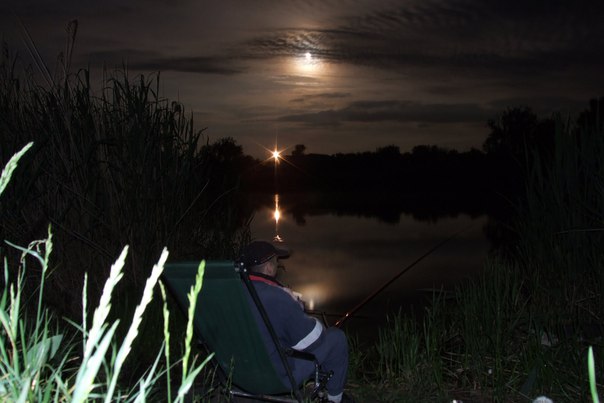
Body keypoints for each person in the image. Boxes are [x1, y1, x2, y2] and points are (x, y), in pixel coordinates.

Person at [239, 240, 350, 403]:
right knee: (336, 338)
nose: (278, 266)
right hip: (277, 376)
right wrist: (296, 306)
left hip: (239, 371)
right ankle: (335, 399)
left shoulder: (233, 292)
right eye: (276, 261)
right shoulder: (277, 297)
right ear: (269, 268)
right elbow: (313, 339)